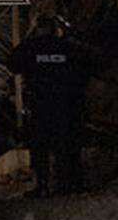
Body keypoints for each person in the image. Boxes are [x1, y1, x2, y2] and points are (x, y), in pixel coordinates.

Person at [10, 18, 92, 196]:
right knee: (68, 145)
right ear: (56, 30)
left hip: (41, 105)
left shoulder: (30, 47)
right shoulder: (68, 47)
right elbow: (87, 67)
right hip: (68, 106)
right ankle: (69, 185)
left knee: (40, 148)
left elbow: (13, 64)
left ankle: (43, 186)